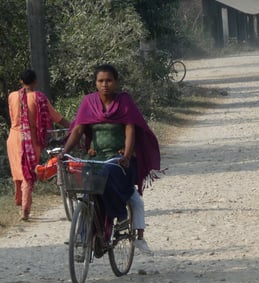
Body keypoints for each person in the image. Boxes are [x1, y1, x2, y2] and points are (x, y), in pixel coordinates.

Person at [61, 64, 159, 255]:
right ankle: (83, 235)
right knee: (86, 185)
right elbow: (78, 130)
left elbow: (131, 129)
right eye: (100, 81)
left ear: (116, 82)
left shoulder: (124, 102)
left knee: (108, 174)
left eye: (109, 80)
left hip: (119, 160)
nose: (105, 84)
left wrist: (127, 155)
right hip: (97, 157)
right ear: (95, 83)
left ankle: (121, 216)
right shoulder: (88, 102)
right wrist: (64, 152)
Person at [6, 69, 69, 221]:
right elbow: (57, 117)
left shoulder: (12, 96)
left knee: (19, 172)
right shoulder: (39, 98)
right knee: (28, 172)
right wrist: (74, 126)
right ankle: (25, 211)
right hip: (30, 138)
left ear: (21, 81)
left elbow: (12, 116)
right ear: (35, 81)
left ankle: (21, 203)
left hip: (13, 137)